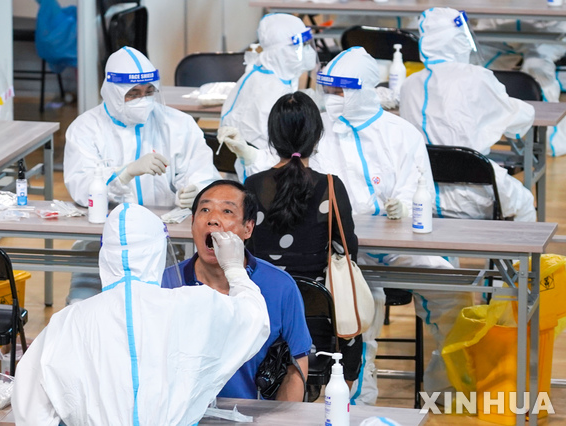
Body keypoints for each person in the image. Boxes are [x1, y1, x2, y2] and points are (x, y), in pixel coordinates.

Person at [311, 46, 473, 405]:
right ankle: (357, 400)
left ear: (366, 89)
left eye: (341, 91)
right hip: (340, 253)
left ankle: (443, 384)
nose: (333, 99)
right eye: (328, 90)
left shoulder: (402, 134)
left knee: (453, 293)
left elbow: (421, 191)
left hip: (400, 248)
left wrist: (402, 207)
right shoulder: (319, 132)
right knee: (360, 315)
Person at [12, 204, 270, 425]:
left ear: (105, 254)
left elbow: (29, 405)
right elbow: (255, 319)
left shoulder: (68, 322)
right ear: (158, 251)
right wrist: (235, 269)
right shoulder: (194, 304)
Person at [243, 91, 363, 391]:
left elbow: (244, 253)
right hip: (315, 327)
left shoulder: (253, 186)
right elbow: (347, 253)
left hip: (261, 320)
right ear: (317, 136)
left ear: (272, 137)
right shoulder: (330, 188)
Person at [161, 180, 312, 401]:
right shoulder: (165, 282)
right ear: (192, 223)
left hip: (254, 418)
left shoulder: (280, 287)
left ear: (248, 228)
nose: (213, 218)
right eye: (204, 210)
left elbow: (296, 368)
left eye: (227, 211)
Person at [399, 7, 537, 222]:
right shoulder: (477, 78)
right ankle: (514, 256)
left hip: (420, 196)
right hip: (474, 196)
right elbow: (516, 119)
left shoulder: (409, 85)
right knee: (525, 202)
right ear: (459, 39)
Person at [64, 46, 220, 208]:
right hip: (110, 223)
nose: (142, 100)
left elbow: (201, 171)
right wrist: (124, 174)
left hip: (165, 223)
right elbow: (81, 187)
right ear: (113, 92)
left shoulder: (178, 123)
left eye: (148, 92)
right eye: (133, 93)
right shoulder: (85, 129)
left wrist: (196, 192)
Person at [217, 13, 318, 180]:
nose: (307, 51)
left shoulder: (268, 75)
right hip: (263, 180)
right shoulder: (269, 92)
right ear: (279, 52)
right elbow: (274, 155)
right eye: (300, 46)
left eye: (308, 44)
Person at [473, 18, 566, 157]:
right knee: (471, 59)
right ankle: (472, 135)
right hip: (496, 27)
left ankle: (550, 139)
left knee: (536, 67)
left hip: (547, 30)